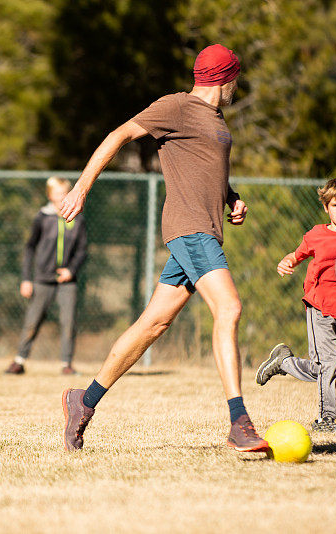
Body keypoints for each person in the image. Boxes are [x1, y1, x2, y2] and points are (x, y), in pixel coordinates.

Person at [59, 44, 270, 453]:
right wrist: (82, 187)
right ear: (227, 78)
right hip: (190, 231)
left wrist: (231, 198)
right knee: (229, 308)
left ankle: (81, 403)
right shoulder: (175, 106)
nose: (236, 87)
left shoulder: (215, 118)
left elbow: (204, 168)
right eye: (236, 80)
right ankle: (239, 423)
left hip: (204, 229)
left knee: (152, 325)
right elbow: (119, 134)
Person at [255, 176, 336, 432]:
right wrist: (286, 262)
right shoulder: (316, 234)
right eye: (335, 205)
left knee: (323, 369)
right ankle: (326, 420)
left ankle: (283, 363)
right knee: (330, 363)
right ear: (326, 207)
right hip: (319, 305)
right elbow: (296, 255)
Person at [4, 176, 88, 376]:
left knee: (68, 322)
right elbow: (30, 248)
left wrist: (71, 270)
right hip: (42, 279)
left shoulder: (77, 218)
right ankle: (19, 361)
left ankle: (66, 364)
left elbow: (82, 251)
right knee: (32, 321)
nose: (61, 198)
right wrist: (26, 279)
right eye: (57, 194)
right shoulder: (42, 217)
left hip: (67, 282)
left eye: (64, 194)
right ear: (50, 196)